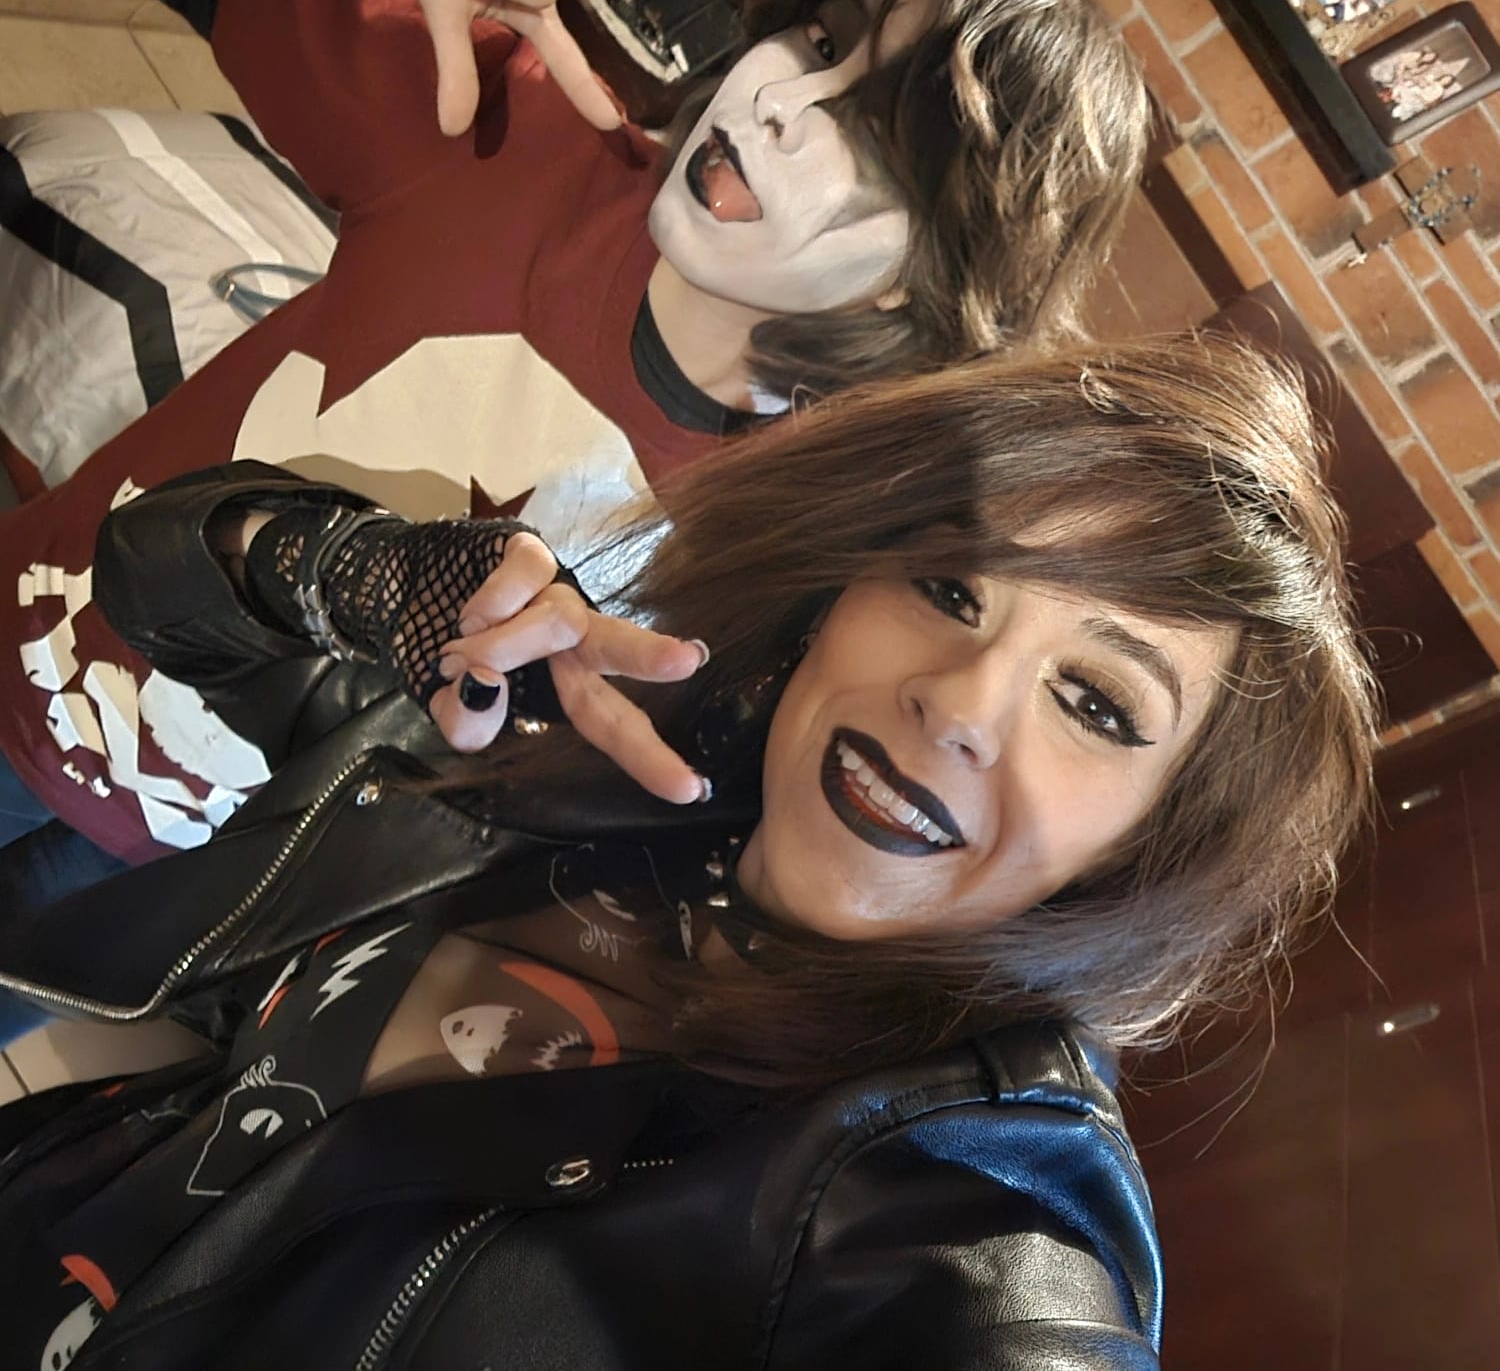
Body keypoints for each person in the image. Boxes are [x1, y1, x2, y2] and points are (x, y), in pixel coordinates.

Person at [0, 334, 1377, 1367]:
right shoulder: (584, 757)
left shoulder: (969, 1196)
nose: (959, 702)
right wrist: (359, 575)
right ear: (839, 593)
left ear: (1154, 840)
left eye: (1096, 703)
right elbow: (147, 575)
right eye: (949, 586)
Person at [0, 0, 1150, 886]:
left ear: (934, 280)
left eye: (878, 135)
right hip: (34, 631)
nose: (779, 102)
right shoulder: (507, 145)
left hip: (185, 879)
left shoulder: (801, 549)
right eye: (817, 40)